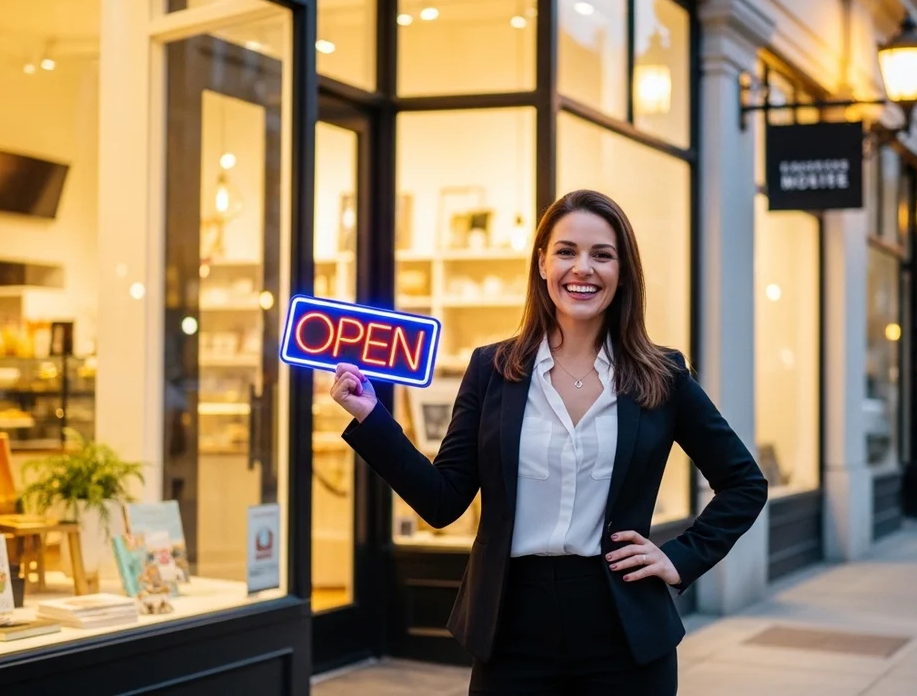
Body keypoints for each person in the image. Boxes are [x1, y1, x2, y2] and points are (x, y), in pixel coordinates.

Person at [329, 189, 768, 694]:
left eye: (602, 255)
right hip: (512, 625)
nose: (582, 268)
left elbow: (743, 483)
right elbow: (443, 500)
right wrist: (372, 419)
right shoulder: (492, 369)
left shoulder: (661, 374)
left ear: (623, 271)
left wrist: (682, 557)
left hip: (622, 626)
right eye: (566, 252)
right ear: (542, 263)